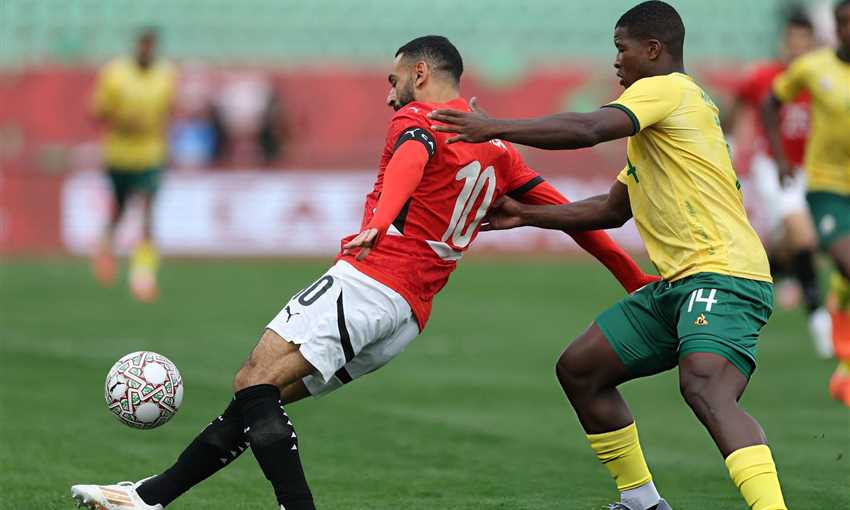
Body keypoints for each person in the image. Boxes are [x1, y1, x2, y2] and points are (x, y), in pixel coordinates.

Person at [70, 36, 656, 510]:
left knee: (253, 383)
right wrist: (633, 278)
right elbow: (575, 220)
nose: (389, 94)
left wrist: (378, 220)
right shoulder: (500, 151)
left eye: (394, 79)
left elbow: (412, 157)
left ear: (421, 73)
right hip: (408, 314)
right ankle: (149, 497)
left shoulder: (420, 117)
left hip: (373, 279)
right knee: (257, 398)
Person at [429, 2, 786, 509]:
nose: (616, 60)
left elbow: (587, 129)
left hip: (724, 274)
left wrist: (496, 127)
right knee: (581, 369)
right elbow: (613, 209)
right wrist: (527, 214)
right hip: (679, 284)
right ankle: (642, 501)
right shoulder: (659, 126)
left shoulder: (666, 90)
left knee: (706, 386)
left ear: (653, 50)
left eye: (622, 48)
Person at [726, 9, 831, 357]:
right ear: (784, 41)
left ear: (812, 42)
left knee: (790, 245)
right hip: (773, 166)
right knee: (804, 235)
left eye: (803, 39)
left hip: (812, 170)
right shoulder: (765, 77)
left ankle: (746, 285)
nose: (796, 45)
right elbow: (738, 101)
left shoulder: (821, 77)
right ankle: (820, 320)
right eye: (792, 38)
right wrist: (728, 139)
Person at [763, 0, 850, 406]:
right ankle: (830, 324)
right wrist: (779, 158)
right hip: (824, 185)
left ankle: (842, 363)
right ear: (835, 26)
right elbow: (770, 103)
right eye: (845, 23)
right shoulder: (812, 68)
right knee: (835, 256)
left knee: (833, 267)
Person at [90, 27, 176, 302]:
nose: (147, 51)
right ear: (136, 46)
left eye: (151, 46)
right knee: (120, 209)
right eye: (143, 45)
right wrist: (124, 121)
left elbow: (168, 111)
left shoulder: (166, 75)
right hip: (119, 154)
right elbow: (97, 111)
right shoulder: (115, 73)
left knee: (148, 211)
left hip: (150, 154)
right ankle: (105, 247)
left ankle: (142, 276)